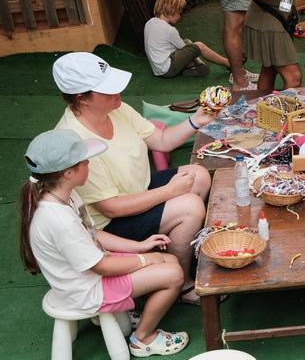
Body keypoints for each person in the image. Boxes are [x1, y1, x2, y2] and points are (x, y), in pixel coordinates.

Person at [52, 52, 215, 305]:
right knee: (190, 207)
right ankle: (181, 282)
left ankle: (171, 250)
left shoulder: (117, 109)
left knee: (199, 175)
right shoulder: (76, 141)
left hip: (138, 190)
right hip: (109, 224)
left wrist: (196, 121)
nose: (118, 91)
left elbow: (161, 140)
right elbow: (111, 208)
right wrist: (170, 192)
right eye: (106, 89)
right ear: (81, 98)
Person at [20, 129, 189, 357]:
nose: (89, 163)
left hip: (91, 272)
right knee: (174, 274)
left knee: (169, 260)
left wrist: (139, 246)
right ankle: (143, 339)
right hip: (87, 290)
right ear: (69, 172)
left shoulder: (64, 194)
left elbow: (94, 233)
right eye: (84, 161)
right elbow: (101, 267)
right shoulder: (58, 219)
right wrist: (146, 258)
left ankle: (130, 312)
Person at [144, 0, 233, 79]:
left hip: (158, 69)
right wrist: (193, 56)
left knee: (186, 41)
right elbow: (185, 48)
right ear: (172, 10)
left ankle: (187, 68)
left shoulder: (150, 23)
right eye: (179, 12)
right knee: (199, 46)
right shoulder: (169, 30)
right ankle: (229, 63)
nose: (180, 16)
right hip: (168, 69)